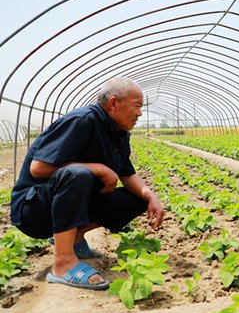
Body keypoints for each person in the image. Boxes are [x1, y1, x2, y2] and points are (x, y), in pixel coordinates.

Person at [10, 77, 164, 289]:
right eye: (137, 106)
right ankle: (63, 264)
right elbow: (38, 168)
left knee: (138, 198)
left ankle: (75, 238)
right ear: (113, 103)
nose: (140, 113)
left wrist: (151, 196)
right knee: (78, 173)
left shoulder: (119, 133)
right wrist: (98, 168)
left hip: (68, 204)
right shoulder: (82, 121)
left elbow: (127, 175)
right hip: (34, 209)